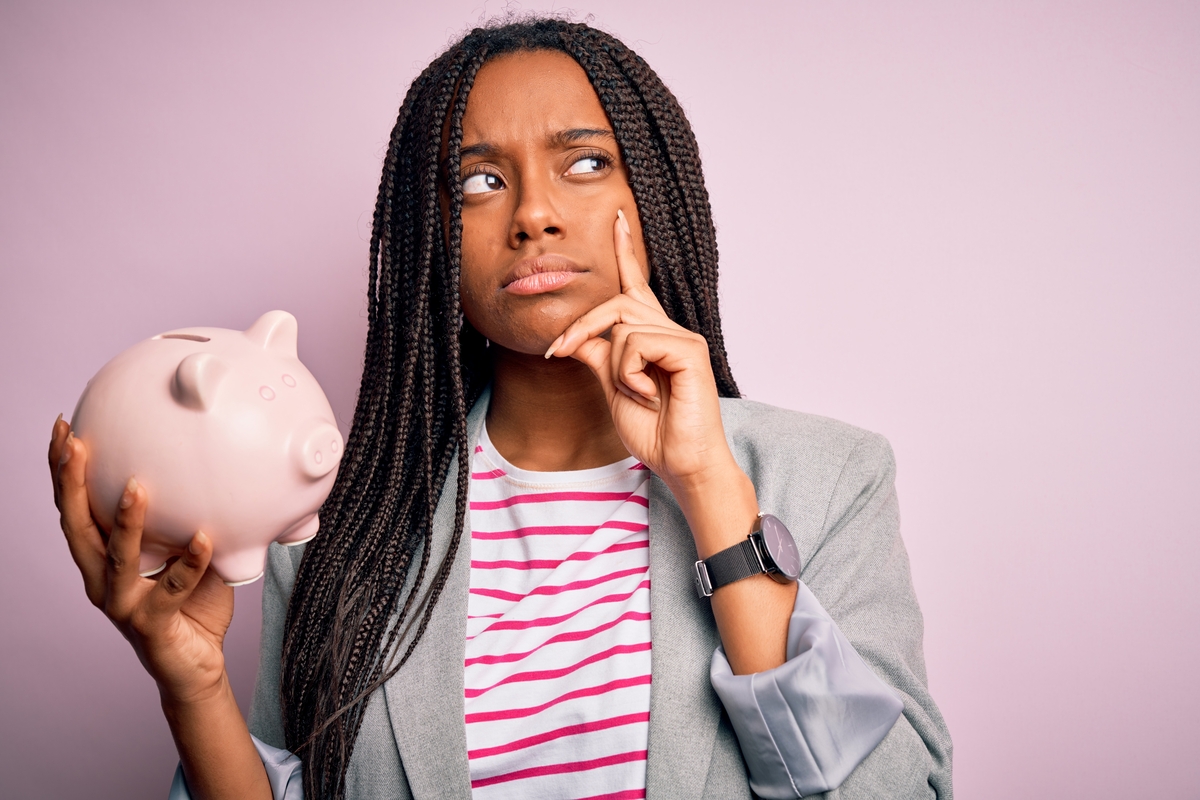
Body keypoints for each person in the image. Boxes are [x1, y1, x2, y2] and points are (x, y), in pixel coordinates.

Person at [49, 17, 952, 800]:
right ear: (431, 235)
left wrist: (711, 489)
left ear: (655, 194)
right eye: (480, 181)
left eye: (586, 163)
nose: (534, 216)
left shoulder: (832, 478)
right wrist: (194, 687)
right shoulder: (335, 525)